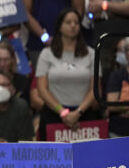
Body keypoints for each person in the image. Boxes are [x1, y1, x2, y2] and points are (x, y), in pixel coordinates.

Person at [35, 8, 99, 140]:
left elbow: (95, 89)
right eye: (68, 22)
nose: (73, 25)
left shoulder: (91, 54)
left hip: (85, 114)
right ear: (59, 27)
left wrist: (78, 112)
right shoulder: (47, 54)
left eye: (76, 22)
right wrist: (63, 112)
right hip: (54, 114)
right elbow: (41, 89)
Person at [0, 70, 35, 142]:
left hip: (15, 151)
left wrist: (9, 146)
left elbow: (26, 141)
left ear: (13, 89)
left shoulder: (21, 106)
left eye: (4, 85)